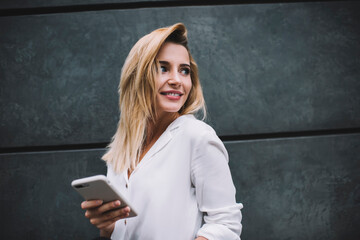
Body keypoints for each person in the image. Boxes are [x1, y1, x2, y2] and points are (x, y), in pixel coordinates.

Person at [81, 23, 243, 240]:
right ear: (137, 76)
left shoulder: (197, 137)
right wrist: (107, 228)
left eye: (184, 70)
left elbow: (226, 226)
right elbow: (123, 232)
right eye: (163, 68)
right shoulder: (121, 148)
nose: (177, 80)